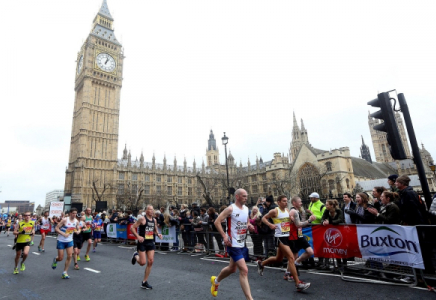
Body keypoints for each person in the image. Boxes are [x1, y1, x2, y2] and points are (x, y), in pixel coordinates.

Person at [258, 195, 311, 291]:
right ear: (278, 202)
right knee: (291, 258)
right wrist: (270, 224)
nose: (286, 203)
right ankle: (298, 284)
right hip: (280, 238)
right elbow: (263, 218)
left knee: (278, 259)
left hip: (288, 237)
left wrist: (291, 220)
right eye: (283, 201)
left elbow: (289, 223)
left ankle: (262, 264)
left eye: (286, 201)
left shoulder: (287, 210)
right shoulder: (275, 211)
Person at [211, 189, 255, 299]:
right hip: (232, 243)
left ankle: (216, 281)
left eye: (247, 196)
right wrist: (224, 236)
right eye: (244, 196)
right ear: (237, 196)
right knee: (244, 270)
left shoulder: (246, 209)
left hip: (242, 243)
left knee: (232, 269)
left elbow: (247, 222)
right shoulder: (230, 209)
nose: (246, 198)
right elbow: (217, 222)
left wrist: (249, 226)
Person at [130, 205, 162, 289]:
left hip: (150, 242)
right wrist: (138, 236)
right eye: (150, 210)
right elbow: (132, 228)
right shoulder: (142, 219)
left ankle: (144, 282)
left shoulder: (154, 220)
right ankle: (135, 256)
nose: (152, 211)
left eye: (153, 210)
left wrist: (158, 234)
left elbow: (155, 230)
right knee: (142, 263)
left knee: (151, 261)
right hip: (142, 242)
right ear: (147, 211)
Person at [289, 196, 316, 272]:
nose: (301, 203)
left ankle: (297, 262)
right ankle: (288, 272)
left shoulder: (298, 211)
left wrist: (309, 216)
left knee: (310, 252)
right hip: (294, 236)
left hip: (299, 234)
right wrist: (309, 220)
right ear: (294, 203)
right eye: (299, 201)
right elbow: (298, 224)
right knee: (294, 256)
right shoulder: (294, 211)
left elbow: (301, 223)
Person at [52, 208, 80, 279]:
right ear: (70, 213)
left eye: (75, 213)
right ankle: (56, 260)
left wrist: (78, 231)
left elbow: (78, 228)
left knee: (70, 256)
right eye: (73, 213)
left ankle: (65, 272)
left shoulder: (76, 221)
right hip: (61, 240)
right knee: (61, 258)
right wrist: (63, 234)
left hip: (70, 240)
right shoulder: (65, 220)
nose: (74, 215)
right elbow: (56, 228)